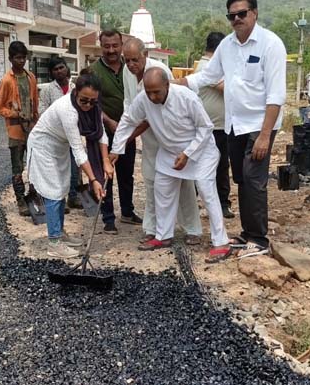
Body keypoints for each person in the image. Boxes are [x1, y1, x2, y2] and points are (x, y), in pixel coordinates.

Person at [176, 0, 286, 258]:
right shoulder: (226, 45)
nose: (237, 19)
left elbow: (276, 95)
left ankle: (259, 239)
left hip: (260, 125)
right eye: (232, 15)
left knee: (254, 179)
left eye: (242, 14)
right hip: (233, 124)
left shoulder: (271, 45)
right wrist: (178, 83)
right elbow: (208, 76)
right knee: (241, 178)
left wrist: (263, 135)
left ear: (254, 13)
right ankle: (248, 233)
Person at [111, 68, 234, 263]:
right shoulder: (144, 99)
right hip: (169, 153)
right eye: (148, 91)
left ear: (167, 85)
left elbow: (205, 127)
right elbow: (128, 121)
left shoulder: (186, 97)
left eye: (156, 92)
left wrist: (188, 154)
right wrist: (116, 149)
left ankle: (221, 242)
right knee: (162, 192)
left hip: (200, 152)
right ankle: (163, 236)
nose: (152, 96)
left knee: (206, 191)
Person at [121, 38, 204, 246]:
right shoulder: (127, 72)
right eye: (127, 60)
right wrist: (126, 134)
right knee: (151, 181)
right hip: (149, 139)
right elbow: (131, 105)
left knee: (183, 182)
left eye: (135, 60)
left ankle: (192, 229)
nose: (131, 65)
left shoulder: (159, 71)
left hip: (172, 137)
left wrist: (131, 134)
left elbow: (163, 106)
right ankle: (154, 229)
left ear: (145, 55)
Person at [28, 72, 113, 258]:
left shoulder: (94, 108)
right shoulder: (68, 110)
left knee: (62, 188)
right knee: (53, 191)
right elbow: (78, 150)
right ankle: (54, 242)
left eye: (92, 101)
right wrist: (94, 180)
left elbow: (101, 134)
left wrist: (106, 161)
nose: (88, 105)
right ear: (75, 93)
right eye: (84, 101)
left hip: (59, 147)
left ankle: (59, 232)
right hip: (43, 146)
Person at [91, 29, 142, 234]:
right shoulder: (93, 71)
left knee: (126, 173)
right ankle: (108, 217)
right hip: (104, 132)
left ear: (121, 45)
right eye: (106, 46)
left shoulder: (130, 67)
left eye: (115, 45)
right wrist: (110, 122)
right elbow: (90, 102)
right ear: (100, 46)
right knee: (106, 174)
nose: (111, 50)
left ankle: (128, 212)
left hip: (128, 132)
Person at [0, 41, 39, 216]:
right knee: (17, 166)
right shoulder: (7, 80)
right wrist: (15, 114)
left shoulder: (31, 78)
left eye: (23, 58)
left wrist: (36, 121)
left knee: (34, 165)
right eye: (17, 58)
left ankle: (34, 195)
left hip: (32, 129)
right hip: (16, 131)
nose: (21, 61)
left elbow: (34, 103)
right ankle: (21, 201)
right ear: (10, 59)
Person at [196, 31, 234, 219]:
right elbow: (228, 88)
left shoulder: (216, 66)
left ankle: (222, 203)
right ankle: (213, 203)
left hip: (220, 126)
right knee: (211, 166)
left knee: (220, 166)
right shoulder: (207, 67)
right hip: (210, 127)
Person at [38, 57, 82, 210]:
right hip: (55, 137)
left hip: (73, 134)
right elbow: (42, 111)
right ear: (51, 73)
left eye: (61, 67)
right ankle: (59, 200)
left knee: (75, 168)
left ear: (67, 68)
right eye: (55, 69)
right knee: (58, 169)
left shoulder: (75, 88)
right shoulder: (47, 90)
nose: (59, 71)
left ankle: (74, 197)